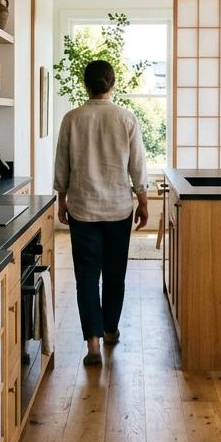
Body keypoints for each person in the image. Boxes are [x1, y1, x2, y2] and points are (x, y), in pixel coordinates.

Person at [53, 59, 149, 366]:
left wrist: (61, 199)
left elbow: (62, 164)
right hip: (118, 208)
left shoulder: (72, 118)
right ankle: (110, 330)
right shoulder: (126, 118)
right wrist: (143, 200)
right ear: (112, 84)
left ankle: (92, 344)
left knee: (86, 276)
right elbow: (138, 165)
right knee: (114, 273)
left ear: (86, 84)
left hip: (83, 208)